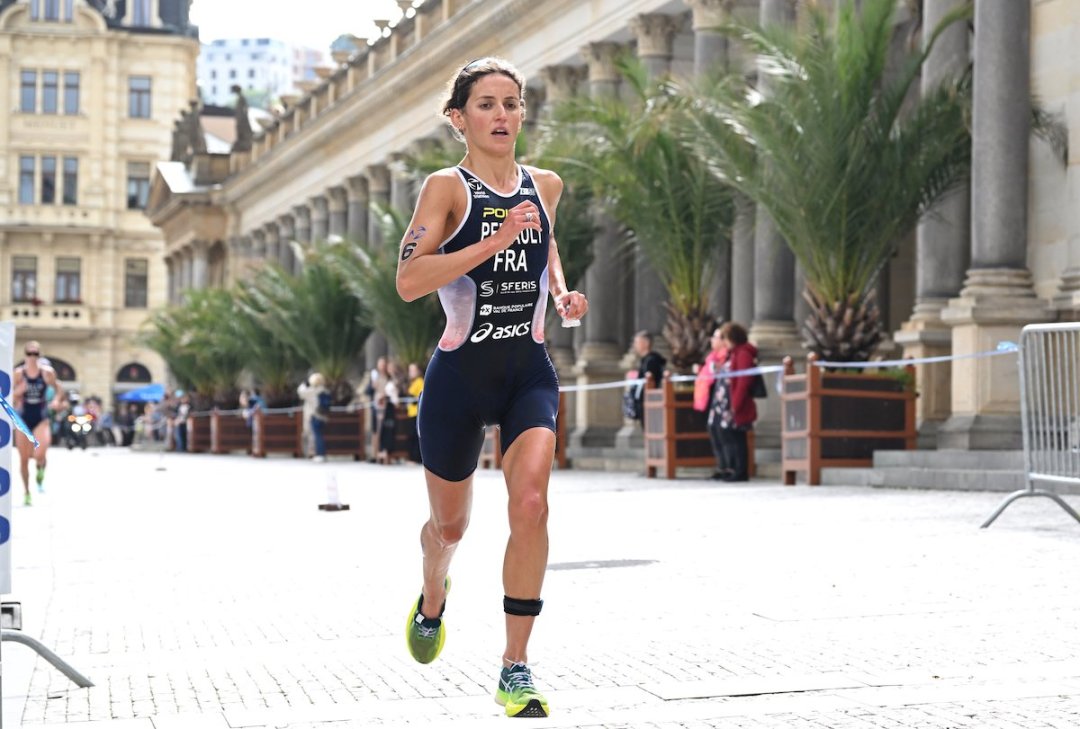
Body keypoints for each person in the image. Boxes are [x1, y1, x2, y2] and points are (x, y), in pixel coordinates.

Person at [394, 57, 588, 719]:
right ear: (460, 118)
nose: (502, 115)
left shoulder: (547, 185)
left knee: (531, 504)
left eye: (512, 103)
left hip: (528, 371)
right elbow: (411, 279)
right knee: (450, 525)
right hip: (459, 378)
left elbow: (545, 243)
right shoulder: (446, 189)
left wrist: (560, 291)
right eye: (486, 104)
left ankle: (515, 666)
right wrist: (492, 240)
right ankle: (432, 591)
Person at [12, 341, 64, 505]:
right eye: (29, 353)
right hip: (23, 417)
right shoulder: (18, 373)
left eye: (36, 354)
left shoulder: (47, 372)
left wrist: (56, 401)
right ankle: (27, 492)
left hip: (41, 416)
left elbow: (59, 389)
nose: (32, 357)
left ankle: (40, 472)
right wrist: (17, 393)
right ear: (25, 355)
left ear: (39, 355)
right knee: (24, 459)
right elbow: (8, 397)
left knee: (40, 454)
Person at [711, 322, 758, 482]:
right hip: (727, 403)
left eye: (725, 337)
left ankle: (740, 471)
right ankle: (731, 468)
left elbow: (744, 381)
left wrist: (735, 404)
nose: (723, 341)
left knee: (737, 439)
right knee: (729, 437)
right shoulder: (734, 353)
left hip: (737, 403)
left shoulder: (743, 354)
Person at [694, 326, 731, 480]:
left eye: (716, 337)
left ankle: (729, 467)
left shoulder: (726, 357)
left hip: (721, 399)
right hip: (709, 399)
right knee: (714, 433)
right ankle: (721, 466)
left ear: (724, 341)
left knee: (723, 434)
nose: (712, 340)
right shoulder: (712, 357)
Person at [626, 331, 666, 423]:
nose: (635, 345)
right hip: (642, 401)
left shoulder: (652, 360)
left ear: (646, 343)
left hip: (650, 401)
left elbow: (651, 380)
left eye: (637, 342)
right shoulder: (645, 360)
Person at [298, 373, 330, 462]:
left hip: (315, 416)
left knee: (317, 436)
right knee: (319, 435)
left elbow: (301, 392)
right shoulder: (325, 390)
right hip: (323, 416)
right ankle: (319, 453)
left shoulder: (312, 391)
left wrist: (304, 384)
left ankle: (320, 454)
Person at [405, 362, 425, 463]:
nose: (411, 372)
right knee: (411, 436)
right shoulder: (412, 382)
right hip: (411, 413)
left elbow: (420, 396)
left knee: (415, 436)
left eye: (413, 370)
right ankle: (412, 457)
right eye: (410, 370)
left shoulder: (420, 381)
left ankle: (415, 458)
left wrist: (411, 398)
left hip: (416, 413)